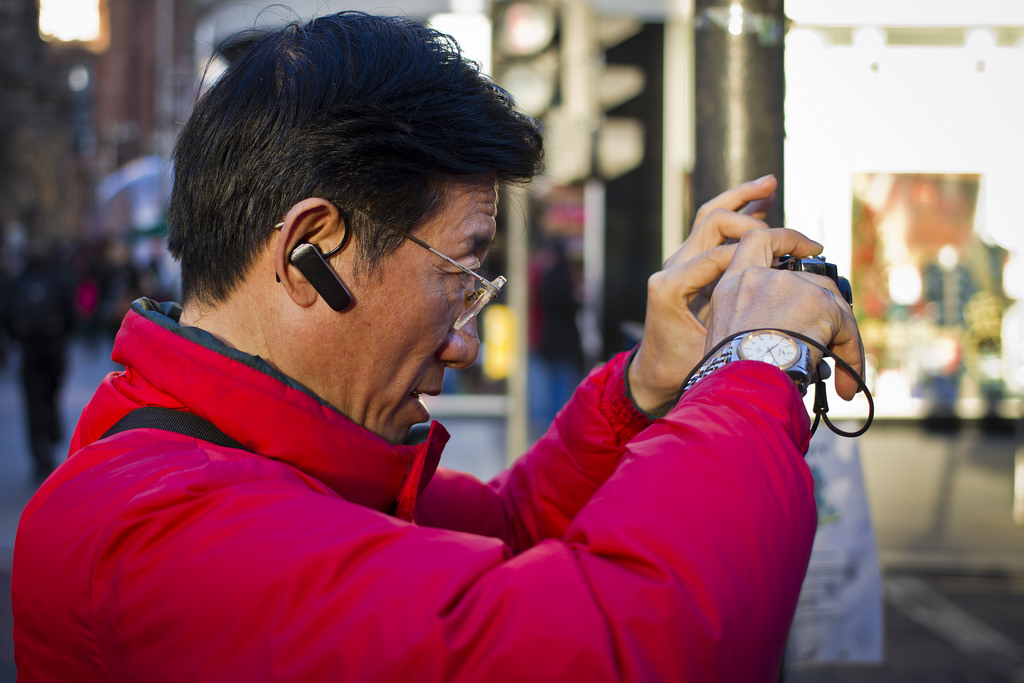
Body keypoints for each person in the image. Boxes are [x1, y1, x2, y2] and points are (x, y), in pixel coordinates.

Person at [12, 11, 864, 682]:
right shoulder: (159, 536)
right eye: (460, 273)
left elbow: (513, 533)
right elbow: (622, 649)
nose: (465, 342)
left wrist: (643, 387)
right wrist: (756, 365)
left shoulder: (252, 460)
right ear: (313, 250)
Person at [3, 245, 76, 480]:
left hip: (30, 349)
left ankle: (40, 456)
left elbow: (6, 317)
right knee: (51, 396)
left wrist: (19, 338)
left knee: (33, 403)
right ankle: (52, 437)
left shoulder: (18, 282)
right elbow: (71, 315)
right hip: (54, 348)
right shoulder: (57, 279)